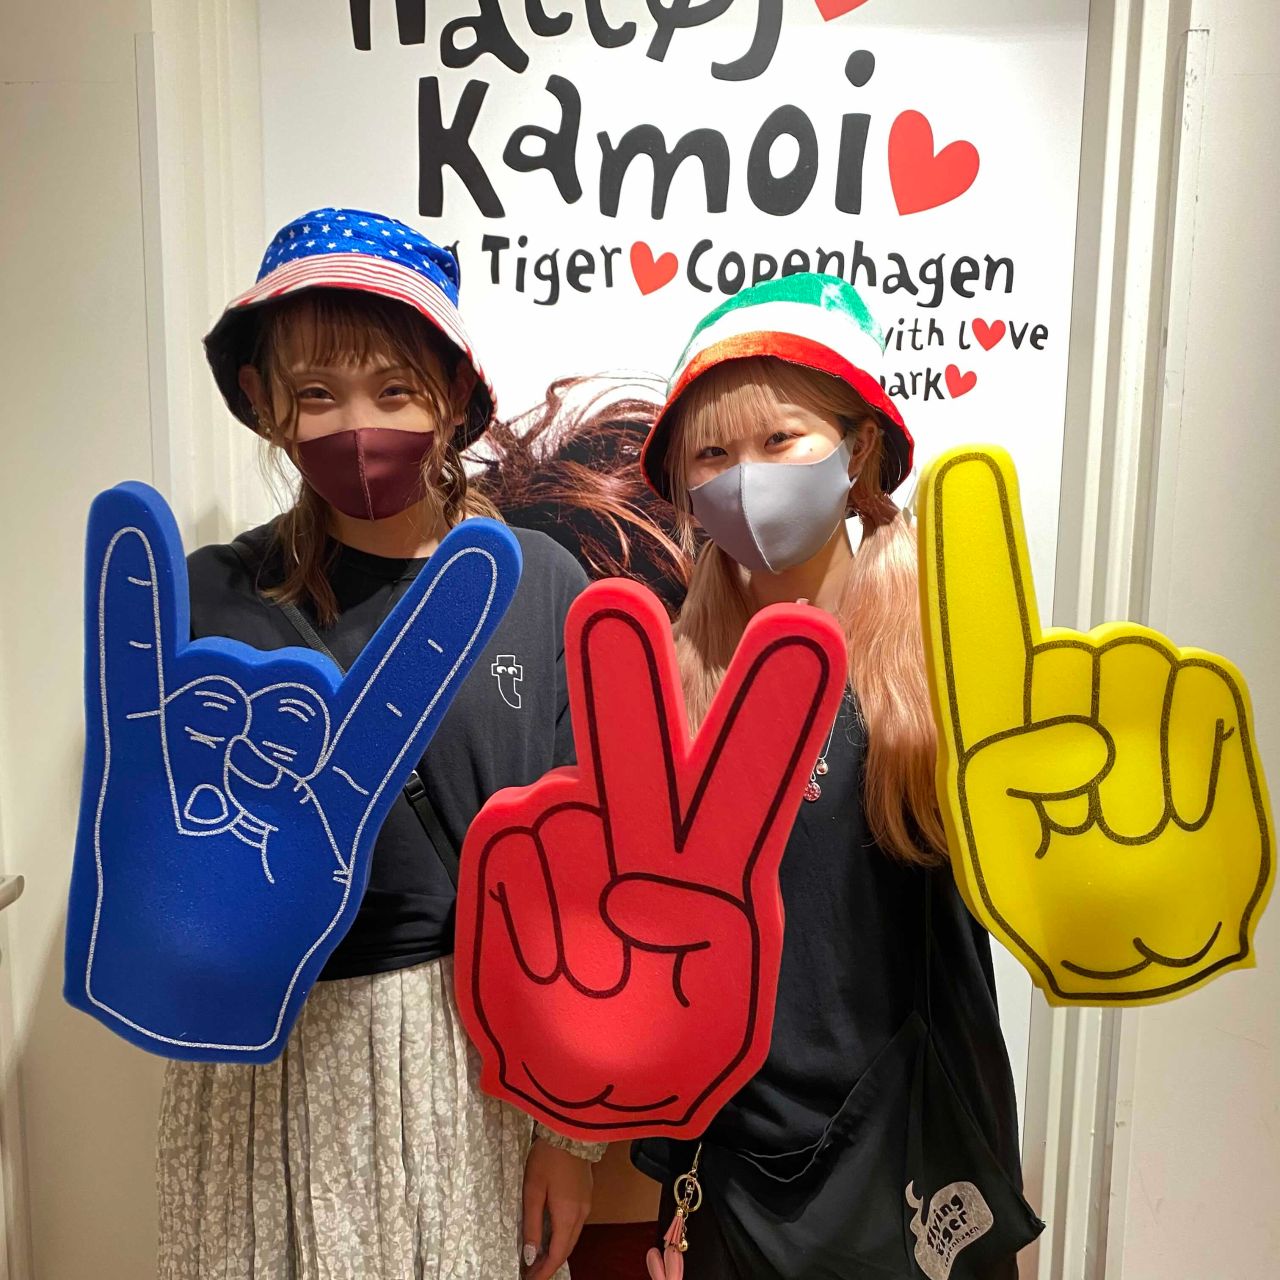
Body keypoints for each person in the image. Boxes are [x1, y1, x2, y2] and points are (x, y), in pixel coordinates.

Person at [158, 208, 603, 1280]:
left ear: (450, 395)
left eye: (394, 389)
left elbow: (582, 876)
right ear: (265, 400)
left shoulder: (539, 585)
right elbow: (174, 852)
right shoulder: (214, 594)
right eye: (318, 393)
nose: (357, 424)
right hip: (259, 1067)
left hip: (466, 1054)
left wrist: (568, 1134)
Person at [631, 275, 1043, 1279]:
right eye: (713, 455)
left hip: (909, 1172)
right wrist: (673, 1184)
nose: (745, 477)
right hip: (732, 1179)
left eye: (779, 439)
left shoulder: (938, 661)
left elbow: (1029, 879)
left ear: (855, 450)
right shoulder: (672, 685)